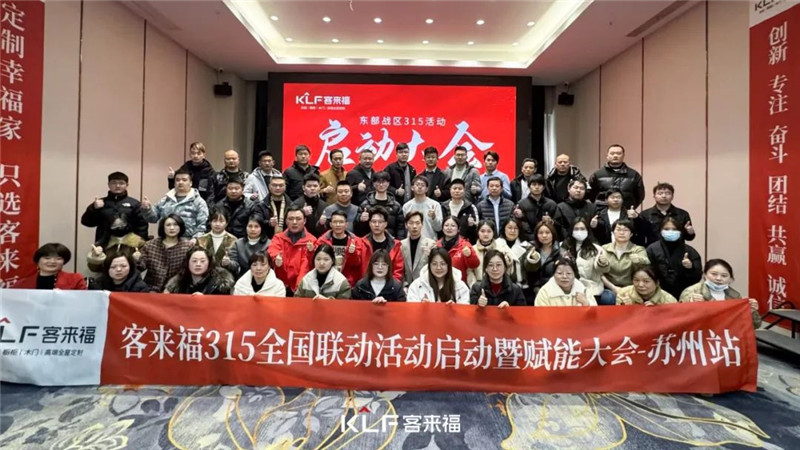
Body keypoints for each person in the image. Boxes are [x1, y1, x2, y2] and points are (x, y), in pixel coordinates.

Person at [680, 259, 761, 327]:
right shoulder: (692, 291)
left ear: (730, 279)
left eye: (724, 276)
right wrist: (692, 305)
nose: (718, 278)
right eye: (714, 274)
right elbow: (680, 320)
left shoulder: (735, 296)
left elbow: (754, 326)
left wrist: (751, 311)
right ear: (705, 275)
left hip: (726, 336)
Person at [80, 171, 149, 248]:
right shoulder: (100, 203)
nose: (117, 186)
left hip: (129, 245)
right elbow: (86, 222)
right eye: (114, 183)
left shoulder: (134, 204)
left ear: (127, 185)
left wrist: (141, 245)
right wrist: (93, 208)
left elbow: (142, 226)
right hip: (104, 244)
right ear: (108, 185)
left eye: (121, 183)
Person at [143, 168, 209, 238]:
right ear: (174, 183)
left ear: (191, 183)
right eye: (177, 180)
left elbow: (202, 227)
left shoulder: (198, 202)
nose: (180, 182)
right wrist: (147, 209)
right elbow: (152, 219)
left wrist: (195, 240)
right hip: (166, 240)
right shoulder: (165, 200)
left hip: (188, 241)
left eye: (184, 180)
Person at [645, 217, 702, 298]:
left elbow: (697, 277)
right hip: (657, 294)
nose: (670, 232)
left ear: (680, 232)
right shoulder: (652, 249)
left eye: (674, 229)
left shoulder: (690, 251)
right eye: (666, 229)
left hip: (684, 294)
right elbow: (646, 273)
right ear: (660, 231)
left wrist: (690, 268)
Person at [136, 214, 194, 292]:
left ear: (180, 227)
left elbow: (184, 272)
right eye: (168, 225)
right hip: (151, 289)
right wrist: (136, 259)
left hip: (177, 290)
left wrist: (170, 288)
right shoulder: (150, 245)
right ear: (163, 227)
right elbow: (141, 267)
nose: (172, 228)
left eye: (175, 225)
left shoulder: (187, 247)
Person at [268, 206, 318, 295]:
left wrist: (299, 287)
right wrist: (276, 259)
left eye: (298, 219)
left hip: (302, 287)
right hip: (280, 285)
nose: (294, 222)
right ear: (286, 221)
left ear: (305, 221)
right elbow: (273, 251)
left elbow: (307, 265)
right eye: (291, 219)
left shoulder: (312, 240)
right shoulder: (278, 238)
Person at [599, 218, 650, 305]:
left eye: (625, 230)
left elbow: (646, 263)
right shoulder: (604, 249)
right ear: (613, 232)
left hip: (632, 288)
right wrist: (613, 288)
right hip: (609, 287)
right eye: (618, 229)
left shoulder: (638, 249)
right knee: (607, 298)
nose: (621, 233)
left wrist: (638, 260)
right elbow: (599, 273)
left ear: (631, 234)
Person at [560, 217, 610, 300]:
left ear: (587, 230)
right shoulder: (564, 247)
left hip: (591, 288)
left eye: (582, 229)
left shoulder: (596, 248)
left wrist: (602, 262)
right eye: (576, 229)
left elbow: (602, 270)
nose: (579, 231)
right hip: (568, 288)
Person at [316, 210, 366, 287]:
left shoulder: (356, 241)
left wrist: (352, 253)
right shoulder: (322, 241)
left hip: (348, 283)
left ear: (346, 224)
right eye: (335, 222)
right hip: (325, 281)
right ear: (330, 224)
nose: (338, 225)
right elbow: (314, 262)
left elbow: (357, 264)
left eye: (341, 222)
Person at [588, 144, 645, 209]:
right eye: (612, 153)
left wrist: (630, 208)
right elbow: (591, 194)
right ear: (607, 156)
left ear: (623, 156)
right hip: (602, 212)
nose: (615, 156)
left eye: (618, 153)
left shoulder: (634, 175)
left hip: (626, 212)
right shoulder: (597, 174)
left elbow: (640, 196)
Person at [640, 182, 696, 246]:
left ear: (672, 196)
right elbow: (640, 237)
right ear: (654, 196)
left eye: (667, 193)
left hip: (677, 249)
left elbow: (689, 238)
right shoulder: (645, 214)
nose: (664, 196)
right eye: (660, 193)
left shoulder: (683, 214)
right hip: (653, 250)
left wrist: (690, 232)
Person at [355, 171, 406, 239]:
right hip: (369, 242)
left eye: (384, 182)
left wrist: (398, 242)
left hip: (390, 242)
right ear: (373, 184)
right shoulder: (365, 205)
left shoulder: (396, 206)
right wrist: (360, 220)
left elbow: (401, 228)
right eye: (378, 182)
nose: (381, 185)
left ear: (388, 183)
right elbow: (357, 228)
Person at [164, 246, 235, 295]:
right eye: (194, 261)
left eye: (202, 261)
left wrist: (206, 300)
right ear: (187, 263)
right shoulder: (178, 283)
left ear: (209, 263)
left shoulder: (220, 285)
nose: (198, 264)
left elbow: (224, 306)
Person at [360, 207, 404, 282]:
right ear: (369, 223)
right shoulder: (361, 243)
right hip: (366, 284)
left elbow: (398, 271)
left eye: (380, 222)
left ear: (386, 224)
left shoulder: (395, 245)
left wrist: (391, 285)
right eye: (374, 222)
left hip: (389, 285)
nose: (376, 225)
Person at [16, 243, 87, 290]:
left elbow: (83, 301)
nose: (52, 262)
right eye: (47, 258)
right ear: (37, 260)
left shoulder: (75, 279)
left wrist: (65, 296)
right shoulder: (22, 284)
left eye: (58, 258)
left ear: (64, 261)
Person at [523, 221, 562, 300]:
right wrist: (532, 260)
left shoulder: (560, 251)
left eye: (547, 232)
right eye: (540, 233)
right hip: (534, 292)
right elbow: (528, 273)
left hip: (555, 291)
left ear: (553, 234)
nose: (544, 235)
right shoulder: (531, 249)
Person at [468, 220, 514, 286]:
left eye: (489, 231)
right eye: (482, 231)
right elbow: (469, 271)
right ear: (478, 232)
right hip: (477, 285)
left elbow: (509, 269)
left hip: (498, 285)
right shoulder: (472, 250)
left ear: (493, 233)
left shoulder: (501, 249)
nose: (485, 234)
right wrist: (474, 286)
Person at [400, 211, 437, 289]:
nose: (414, 226)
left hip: (426, 286)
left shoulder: (431, 244)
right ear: (406, 225)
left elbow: (435, 267)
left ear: (422, 224)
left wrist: (430, 255)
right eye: (411, 223)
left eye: (417, 223)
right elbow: (399, 269)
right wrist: (404, 285)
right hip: (406, 288)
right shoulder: (401, 245)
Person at [436, 216, 479, 283]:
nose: (449, 228)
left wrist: (469, 256)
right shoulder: (436, 245)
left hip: (459, 283)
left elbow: (474, 265)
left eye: (453, 226)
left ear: (458, 229)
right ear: (442, 228)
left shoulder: (465, 245)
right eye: (446, 225)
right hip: (440, 282)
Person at [516, 174, 557, 241]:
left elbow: (558, 223)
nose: (537, 187)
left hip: (547, 238)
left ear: (543, 187)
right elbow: (521, 224)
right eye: (534, 184)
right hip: (527, 239)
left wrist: (551, 221)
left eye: (539, 185)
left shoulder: (551, 204)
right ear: (529, 186)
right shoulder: (521, 204)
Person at [402, 175, 443, 241]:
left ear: (426, 189)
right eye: (417, 184)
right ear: (412, 187)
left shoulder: (435, 205)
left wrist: (434, 217)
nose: (420, 187)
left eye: (422, 185)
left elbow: (439, 228)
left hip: (430, 241)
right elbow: (404, 228)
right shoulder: (406, 206)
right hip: (411, 241)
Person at [500, 218, 533, 289]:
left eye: (516, 228)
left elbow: (531, 268)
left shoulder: (526, 246)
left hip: (522, 287)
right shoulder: (497, 245)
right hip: (501, 286)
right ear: (504, 229)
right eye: (509, 228)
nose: (513, 231)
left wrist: (533, 259)